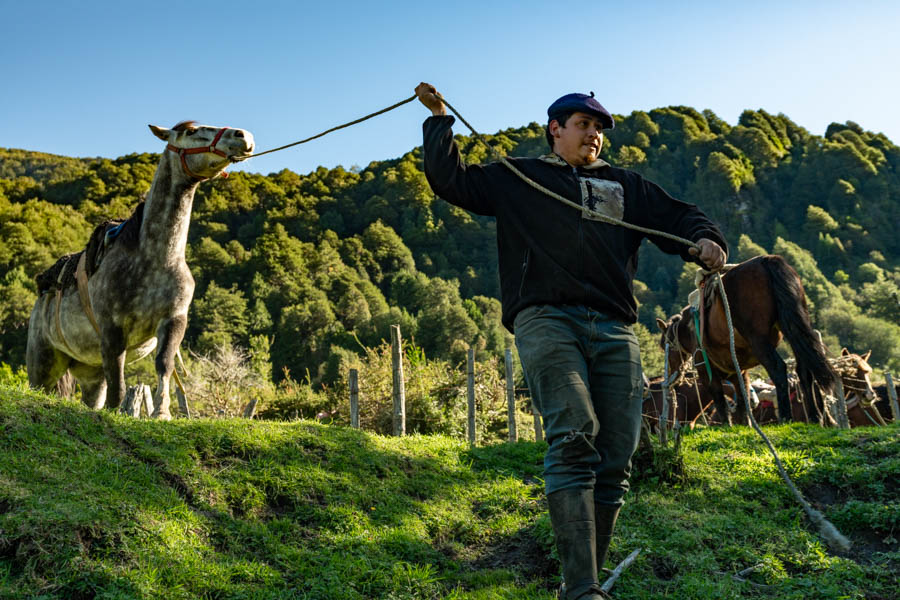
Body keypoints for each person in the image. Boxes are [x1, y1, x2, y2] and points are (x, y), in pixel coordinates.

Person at [415, 82, 727, 599]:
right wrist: (439, 119)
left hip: (614, 328)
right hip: (545, 319)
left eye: (600, 129)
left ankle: (584, 584)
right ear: (555, 129)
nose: (595, 136)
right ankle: (582, 589)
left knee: (618, 450)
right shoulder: (519, 177)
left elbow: (681, 216)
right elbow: (452, 182)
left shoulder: (626, 187)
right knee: (575, 431)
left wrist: (709, 240)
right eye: (584, 125)